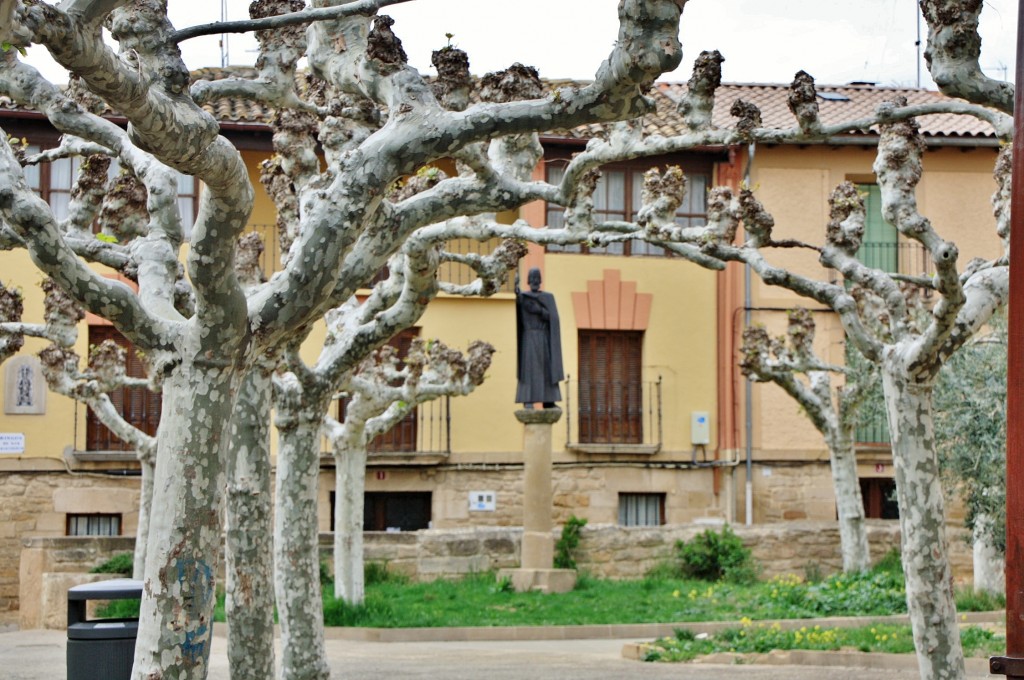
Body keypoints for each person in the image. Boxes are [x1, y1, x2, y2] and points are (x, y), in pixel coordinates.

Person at [515, 268, 563, 408]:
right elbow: (518, 301)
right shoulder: (524, 298)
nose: (535, 281)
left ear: (540, 280)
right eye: (532, 278)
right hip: (529, 338)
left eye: (537, 278)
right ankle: (528, 400)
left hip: (543, 338)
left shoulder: (548, 297)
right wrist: (516, 288)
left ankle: (549, 401)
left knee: (546, 368)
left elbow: (553, 318)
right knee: (529, 369)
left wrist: (539, 310)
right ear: (528, 280)